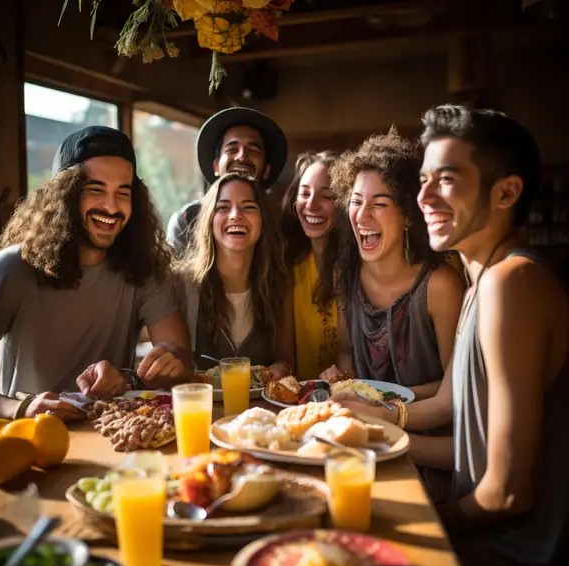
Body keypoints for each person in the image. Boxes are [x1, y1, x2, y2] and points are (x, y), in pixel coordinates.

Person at [415, 104, 569, 566]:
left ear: (506, 192)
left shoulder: (513, 282)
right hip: (487, 548)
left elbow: (507, 493)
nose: (423, 197)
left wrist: (423, 523)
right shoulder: (481, 277)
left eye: (445, 179)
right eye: (422, 180)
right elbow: (465, 434)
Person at [0, 126, 192, 428]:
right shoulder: (9, 270)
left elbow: (182, 359)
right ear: (64, 195)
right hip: (30, 439)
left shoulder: (145, 270)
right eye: (96, 190)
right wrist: (19, 408)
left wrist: (138, 374)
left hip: (114, 434)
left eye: (123, 193)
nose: (111, 207)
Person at [324, 129, 465, 401]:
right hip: (363, 428)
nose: (362, 214)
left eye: (379, 203)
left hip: (426, 433)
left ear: (408, 215)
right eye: (355, 201)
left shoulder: (440, 286)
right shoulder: (344, 275)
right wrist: (338, 380)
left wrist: (381, 402)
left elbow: (455, 386)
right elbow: (345, 356)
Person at [176, 172, 293, 377]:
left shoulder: (279, 283)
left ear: (263, 220)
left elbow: (284, 359)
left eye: (248, 207)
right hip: (201, 407)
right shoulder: (182, 284)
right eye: (223, 207)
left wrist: (279, 369)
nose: (235, 215)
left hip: (260, 408)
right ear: (209, 220)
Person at [166, 107, 288, 259]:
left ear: (266, 170)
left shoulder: (283, 223)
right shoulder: (187, 221)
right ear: (216, 166)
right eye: (232, 149)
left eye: (253, 151)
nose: (242, 156)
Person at [280, 151, 339, 379]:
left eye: (327, 196)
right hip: (302, 400)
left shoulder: (359, 268)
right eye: (304, 194)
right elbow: (285, 357)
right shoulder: (289, 268)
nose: (311, 205)